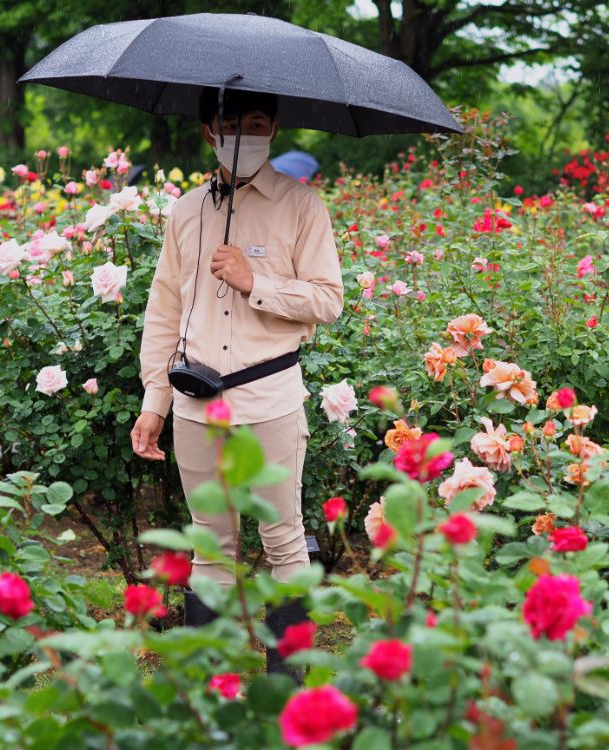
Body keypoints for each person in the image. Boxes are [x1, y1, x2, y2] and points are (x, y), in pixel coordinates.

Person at [130, 87, 344, 677]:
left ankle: (285, 687)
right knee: (210, 545)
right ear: (209, 132)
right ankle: (207, 691)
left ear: (274, 128)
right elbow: (164, 311)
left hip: (269, 400)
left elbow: (328, 301)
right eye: (230, 122)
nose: (243, 133)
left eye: (256, 122)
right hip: (196, 404)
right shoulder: (186, 211)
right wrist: (155, 401)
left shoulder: (303, 207)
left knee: (283, 541)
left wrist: (255, 282)